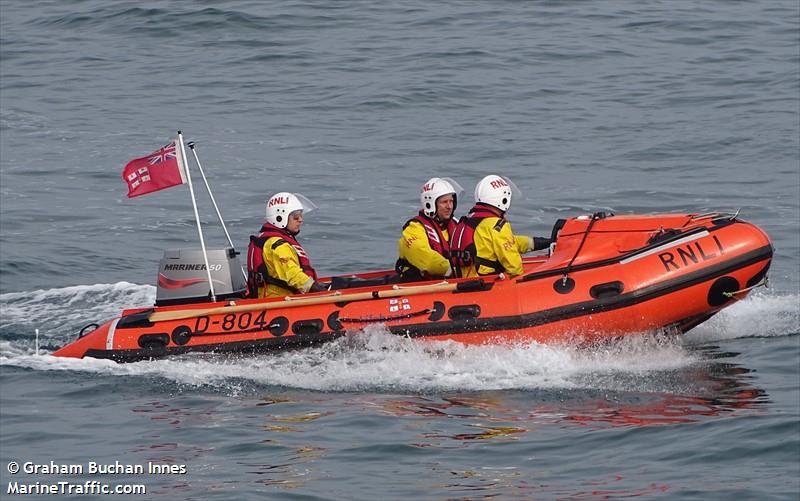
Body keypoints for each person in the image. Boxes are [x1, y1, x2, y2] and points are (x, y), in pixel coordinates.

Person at [450, 174, 551, 278]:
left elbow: (509, 242)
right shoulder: (497, 225)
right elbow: (514, 267)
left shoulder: (468, 221)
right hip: (484, 284)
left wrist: (543, 242)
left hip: (464, 280)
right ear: (503, 200)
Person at [246, 192, 327, 298]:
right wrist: (317, 289)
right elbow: (293, 274)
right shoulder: (278, 245)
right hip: (277, 301)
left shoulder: (269, 239)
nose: (300, 220)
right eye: (296, 217)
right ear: (280, 217)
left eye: (300, 216)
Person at [395, 177, 464, 281]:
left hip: (448, 281)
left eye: (451, 201)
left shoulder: (456, 225)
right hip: (418, 283)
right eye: (444, 202)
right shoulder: (414, 228)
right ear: (430, 204)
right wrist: (451, 270)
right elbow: (425, 257)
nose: (449, 206)